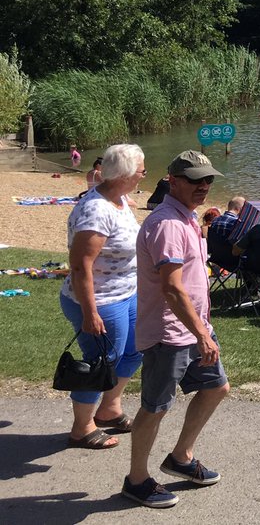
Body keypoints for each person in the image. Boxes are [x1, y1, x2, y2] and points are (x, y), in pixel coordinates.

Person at [124, 150, 230, 509]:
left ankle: (180, 458)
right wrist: (201, 334)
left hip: (195, 328)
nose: (204, 186)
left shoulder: (187, 217)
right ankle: (136, 479)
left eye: (208, 180)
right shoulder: (167, 223)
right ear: (173, 181)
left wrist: (203, 328)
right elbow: (171, 288)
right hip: (170, 333)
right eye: (196, 180)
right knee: (155, 407)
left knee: (216, 388)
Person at [60, 143, 146, 451]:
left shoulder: (119, 199)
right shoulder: (96, 210)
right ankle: (82, 427)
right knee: (102, 361)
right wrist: (89, 313)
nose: (144, 175)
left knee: (136, 350)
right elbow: (81, 265)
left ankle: (109, 407)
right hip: (99, 300)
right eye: (141, 171)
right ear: (124, 175)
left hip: (124, 293)